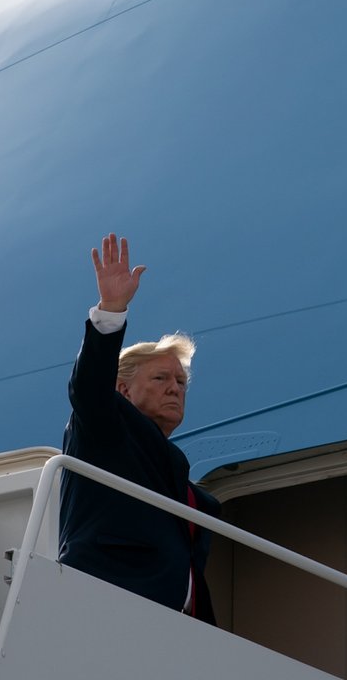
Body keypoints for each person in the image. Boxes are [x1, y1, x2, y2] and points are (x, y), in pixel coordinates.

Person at [58, 233, 218, 624]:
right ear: (122, 388)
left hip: (173, 625)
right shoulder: (105, 427)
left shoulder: (176, 473)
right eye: (162, 378)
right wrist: (111, 311)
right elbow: (89, 389)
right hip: (110, 602)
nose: (175, 389)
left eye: (181, 383)